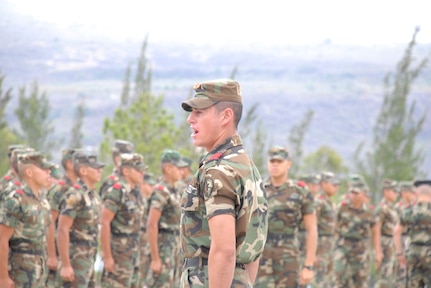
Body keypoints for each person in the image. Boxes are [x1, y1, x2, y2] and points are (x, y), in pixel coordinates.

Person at [180, 78, 268, 287]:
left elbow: (225, 249)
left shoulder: (218, 171)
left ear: (225, 116)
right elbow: (251, 245)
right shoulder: (245, 166)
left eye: (199, 112)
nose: (190, 120)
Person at [255, 146, 317, 288]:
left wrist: (309, 265)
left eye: (279, 161)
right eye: (272, 161)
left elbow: (312, 229)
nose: (275, 165)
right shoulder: (258, 189)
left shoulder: (300, 191)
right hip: (261, 253)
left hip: (289, 254)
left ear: (288, 163)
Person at [0, 151, 54, 287]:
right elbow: (2, 238)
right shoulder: (16, 199)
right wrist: (3, 277)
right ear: (29, 172)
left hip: (39, 267)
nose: (48, 172)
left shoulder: (42, 200)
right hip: (20, 269)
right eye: (43, 169)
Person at [56, 151, 105, 287]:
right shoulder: (75, 195)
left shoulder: (94, 195)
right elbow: (62, 229)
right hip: (76, 256)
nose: (99, 171)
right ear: (83, 170)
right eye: (95, 168)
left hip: (89, 256)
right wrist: (66, 265)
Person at [100, 153, 146, 287]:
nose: (142, 173)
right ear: (126, 171)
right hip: (118, 252)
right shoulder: (117, 191)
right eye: (138, 170)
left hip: (133, 251)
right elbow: (105, 222)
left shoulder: (136, 192)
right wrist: (107, 256)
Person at [145, 149, 186, 287]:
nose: (181, 171)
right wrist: (155, 258)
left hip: (174, 246)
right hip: (164, 247)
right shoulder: (161, 192)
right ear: (168, 169)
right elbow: (151, 224)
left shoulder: (175, 190)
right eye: (178, 167)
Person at [332, 181, 378, 288]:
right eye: (351, 193)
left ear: (363, 194)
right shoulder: (342, 207)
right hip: (343, 247)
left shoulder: (369, 212)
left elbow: (374, 231)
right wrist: (335, 243)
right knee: (339, 277)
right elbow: (335, 226)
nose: (353, 196)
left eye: (356, 193)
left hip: (361, 249)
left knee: (360, 280)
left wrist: (376, 250)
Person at [45, 148, 80, 287]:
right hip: (59, 252)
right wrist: (52, 255)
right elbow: (49, 222)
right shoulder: (59, 189)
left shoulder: (79, 189)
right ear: (70, 164)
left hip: (75, 251)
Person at [393, 179, 431, 287]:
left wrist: (399, 254)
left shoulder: (408, 212)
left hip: (413, 253)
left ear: (416, 194)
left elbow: (396, 232)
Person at [312, 171, 339, 288]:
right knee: (318, 279)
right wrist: (313, 253)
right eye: (333, 184)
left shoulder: (330, 202)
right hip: (320, 245)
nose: (336, 187)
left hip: (329, 244)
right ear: (323, 184)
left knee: (328, 279)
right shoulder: (319, 202)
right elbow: (312, 227)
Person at [132, 172, 156, 288]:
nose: (152, 188)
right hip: (138, 243)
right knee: (139, 276)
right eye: (149, 185)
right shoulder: (137, 200)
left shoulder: (148, 201)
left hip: (146, 243)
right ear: (142, 185)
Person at [374, 178, 399, 288]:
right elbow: (376, 229)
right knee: (383, 280)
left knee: (392, 279)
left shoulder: (393, 208)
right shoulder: (382, 208)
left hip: (392, 244)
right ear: (386, 191)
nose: (396, 194)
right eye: (394, 191)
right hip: (385, 244)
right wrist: (378, 251)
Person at [393, 181, 416, 288]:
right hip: (400, 240)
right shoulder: (399, 207)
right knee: (400, 275)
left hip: (413, 241)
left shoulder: (417, 207)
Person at [297, 173, 320, 272]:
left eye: (317, 185)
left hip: (312, 239)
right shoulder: (299, 199)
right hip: (300, 238)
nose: (316, 187)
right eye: (313, 185)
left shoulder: (315, 201)